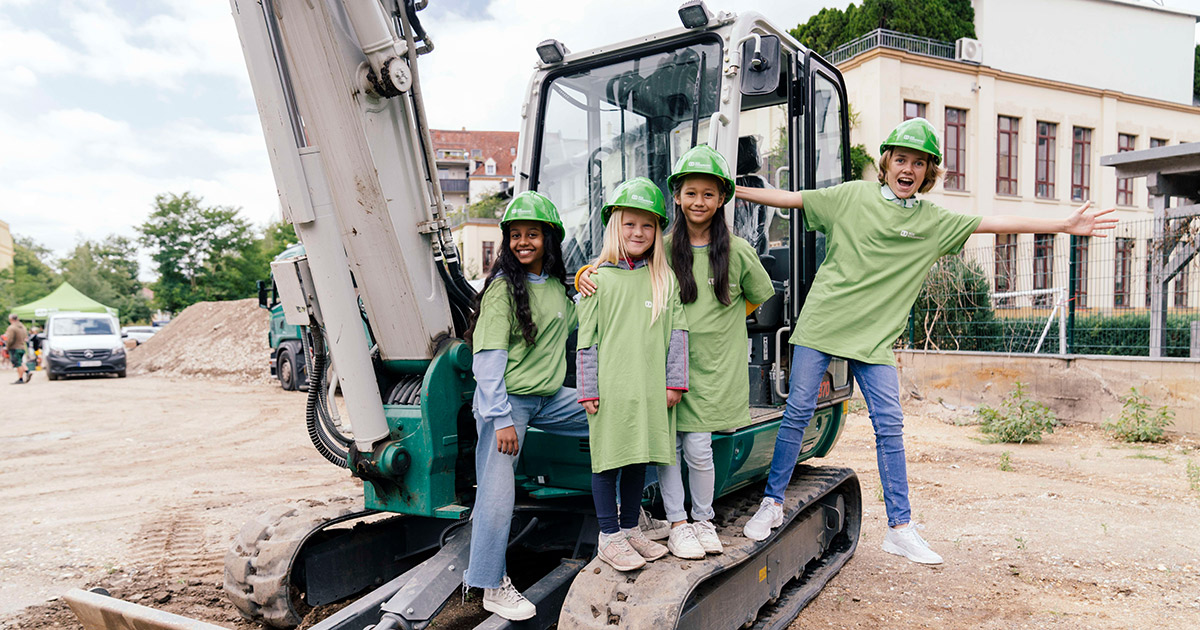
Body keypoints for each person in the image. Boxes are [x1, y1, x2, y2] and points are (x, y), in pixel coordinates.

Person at [736, 118, 1117, 564]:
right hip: (823, 324)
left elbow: (993, 221)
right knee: (798, 410)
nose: (908, 169)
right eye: (901, 159)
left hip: (874, 338)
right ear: (887, 162)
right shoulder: (852, 197)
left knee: (890, 427)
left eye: (919, 163)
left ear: (927, 173)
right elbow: (790, 198)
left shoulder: (932, 221)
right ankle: (772, 503)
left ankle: (900, 528)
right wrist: (731, 189)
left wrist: (1063, 224)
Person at [577, 146, 774, 560]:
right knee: (665, 450)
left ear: (722, 198)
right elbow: (614, 282)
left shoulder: (735, 251)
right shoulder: (661, 250)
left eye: (708, 194)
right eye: (690, 193)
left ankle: (700, 519)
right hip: (654, 370)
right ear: (677, 198)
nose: (698, 202)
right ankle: (675, 523)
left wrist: (724, 323)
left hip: (700, 370)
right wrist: (584, 274)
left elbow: (755, 299)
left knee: (697, 449)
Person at [462, 191, 591, 621]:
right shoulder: (501, 291)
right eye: (515, 235)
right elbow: (487, 363)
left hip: (550, 398)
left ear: (548, 239)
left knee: (611, 413)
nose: (522, 242)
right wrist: (500, 419)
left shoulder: (556, 288)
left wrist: (596, 277)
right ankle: (490, 583)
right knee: (498, 492)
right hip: (508, 403)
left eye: (531, 234)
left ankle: (634, 511)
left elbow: (581, 320)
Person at [576, 177, 686, 571]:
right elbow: (585, 341)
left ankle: (629, 528)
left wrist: (675, 380)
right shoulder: (597, 281)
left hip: (650, 389)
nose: (638, 232)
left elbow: (678, 332)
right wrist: (587, 388)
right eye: (630, 224)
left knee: (639, 460)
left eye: (647, 226)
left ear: (658, 231)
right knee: (608, 462)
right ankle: (609, 536)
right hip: (610, 390)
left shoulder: (663, 279)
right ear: (614, 227)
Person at [5, 315, 29, 385]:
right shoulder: (23, 327)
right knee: (20, 362)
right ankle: (27, 371)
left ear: (11, 319)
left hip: (15, 348)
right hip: (22, 347)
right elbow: (25, 336)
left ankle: (20, 378)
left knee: (18, 364)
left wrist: (7, 347)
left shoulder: (12, 328)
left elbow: (10, 339)